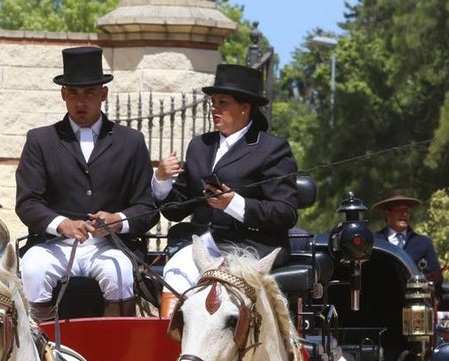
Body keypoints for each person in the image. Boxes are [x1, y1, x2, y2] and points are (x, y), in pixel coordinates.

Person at [15, 46, 157, 318]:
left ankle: (113, 351)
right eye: (73, 93)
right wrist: (62, 224)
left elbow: (145, 206)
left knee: (120, 273)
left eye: (90, 93)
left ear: (103, 94)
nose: (81, 102)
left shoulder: (131, 141)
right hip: (53, 244)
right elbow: (28, 202)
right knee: (33, 269)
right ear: (63, 95)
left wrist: (118, 219)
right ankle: (43, 351)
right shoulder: (40, 140)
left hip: (109, 245)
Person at [153, 63, 298, 316]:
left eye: (223, 102)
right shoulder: (199, 146)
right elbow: (177, 209)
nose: (214, 108)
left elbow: (285, 213)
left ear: (245, 107)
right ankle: (170, 347)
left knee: (222, 288)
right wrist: (162, 180)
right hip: (205, 244)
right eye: (213, 102)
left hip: (251, 246)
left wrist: (234, 204)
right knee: (175, 270)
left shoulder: (272, 149)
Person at [373, 188, 442, 290]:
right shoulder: (375, 242)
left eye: (407, 211)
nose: (405, 214)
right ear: (387, 212)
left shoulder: (423, 243)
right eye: (400, 210)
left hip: (414, 301)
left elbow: (436, 276)